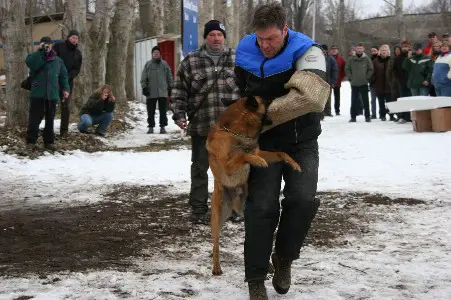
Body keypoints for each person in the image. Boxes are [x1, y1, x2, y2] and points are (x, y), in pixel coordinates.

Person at [234, 3, 326, 299]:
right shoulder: (246, 50)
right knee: (261, 207)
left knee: (302, 199)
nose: (266, 45)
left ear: (285, 30)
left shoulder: (308, 50)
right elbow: (239, 91)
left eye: (272, 38)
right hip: (264, 144)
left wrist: (260, 118)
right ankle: (256, 278)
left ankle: (284, 258)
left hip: (301, 141)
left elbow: (309, 97)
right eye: (260, 39)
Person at [171, 20, 240, 225]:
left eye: (219, 34)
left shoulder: (238, 59)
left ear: (224, 37)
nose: (216, 38)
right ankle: (199, 209)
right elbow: (178, 90)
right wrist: (179, 114)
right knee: (200, 168)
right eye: (212, 35)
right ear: (206, 37)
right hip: (202, 126)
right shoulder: (191, 61)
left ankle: (233, 208)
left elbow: (249, 90)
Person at [25, 36, 70, 151]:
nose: (47, 46)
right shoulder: (35, 57)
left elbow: (64, 76)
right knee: (34, 118)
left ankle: (49, 142)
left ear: (52, 46)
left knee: (50, 119)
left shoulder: (58, 61)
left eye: (49, 44)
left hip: (52, 94)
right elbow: (31, 63)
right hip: (38, 93)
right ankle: (31, 141)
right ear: (41, 44)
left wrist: (65, 89)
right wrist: (39, 51)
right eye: (45, 44)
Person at [53, 29, 83, 137]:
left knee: (65, 106)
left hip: (67, 83)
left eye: (77, 38)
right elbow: (52, 59)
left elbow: (76, 69)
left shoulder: (78, 53)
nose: (75, 40)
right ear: (68, 38)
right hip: (54, 81)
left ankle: (64, 131)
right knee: (51, 105)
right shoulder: (58, 46)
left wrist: (67, 77)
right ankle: (48, 129)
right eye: (73, 37)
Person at [141, 46, 173, 134]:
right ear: (152, 54)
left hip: (163, 91)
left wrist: (170, 87)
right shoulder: (148, 64)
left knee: (163, 111)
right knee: (150, 111)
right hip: (151, 92)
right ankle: (151, 127)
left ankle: (162, 127)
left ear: (160, 54)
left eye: (157, 53)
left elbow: (169, 77)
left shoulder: (165, 64)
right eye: (154, 52)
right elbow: (143, 77)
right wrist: (144, 87)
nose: (156, 54)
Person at [346, 43, 374, 122]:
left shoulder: (367, 58)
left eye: (360, 48)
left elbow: (371, 69)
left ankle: (367, 117)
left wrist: (367, 77)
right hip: (354, 83)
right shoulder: (351, 59)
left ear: (363, 49)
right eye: (358, 48)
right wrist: (350, 77)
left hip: (364, 83)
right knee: (353, 101)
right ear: (356, 49)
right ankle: (353, 117)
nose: (359, 50)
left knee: (365, 101)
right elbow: (347, 69)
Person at [392, 40, 412, 123]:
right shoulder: (397, 58)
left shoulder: (413, 56)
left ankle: (411, 116)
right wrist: (398, 79)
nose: (405, 48)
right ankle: (404, 116)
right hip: (401, 82)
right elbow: (394, 70)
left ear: (409, 47)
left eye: (406, 47)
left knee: (411, 98)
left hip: (411, 81)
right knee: (403, 99)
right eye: (403, 47)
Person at [372, 45, 392, 121]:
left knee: (389, 101)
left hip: (388, 84)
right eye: (383, 50)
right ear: (380, 51)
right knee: (381, 101)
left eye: (386, 50)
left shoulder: (391, 60)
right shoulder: (375, 61)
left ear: (388, 51)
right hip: (379, 83)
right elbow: (372, 72)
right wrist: (373, 80)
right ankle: (382, 115)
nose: (384, 51)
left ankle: (391, 115)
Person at [321, 44, 338, 117]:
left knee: (328, 98)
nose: (323, 51)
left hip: (328, 81)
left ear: (326, 50)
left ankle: (328, 112)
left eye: (324, 50)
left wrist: (333, 81)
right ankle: (321, 113)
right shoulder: (318, 58)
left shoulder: (331, 59)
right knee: (320, 98)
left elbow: (335, 70)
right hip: (319, 81)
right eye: (321, 49)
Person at [330, 45, 346, 116]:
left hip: (337, 81)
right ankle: (327, 111)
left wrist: (341, 78)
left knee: (337, 97)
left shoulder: (341, 59)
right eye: (333, 49)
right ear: (331, 51)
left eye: (335, 49)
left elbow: (344, 70)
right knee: (327, 97)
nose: (334, 50)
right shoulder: (328, 58)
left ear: (337, 50)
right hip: (329, 81)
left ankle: (337, 110)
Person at [369, 46, 379, 119]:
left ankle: (383, 113)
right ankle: (373, 114)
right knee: (373, 99)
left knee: (382, 99)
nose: (373, 52)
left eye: (374, 51)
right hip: (372, 82)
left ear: (378, 51)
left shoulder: (380, 59)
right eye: (372, 51)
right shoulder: (369, 60)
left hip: (381, 82)